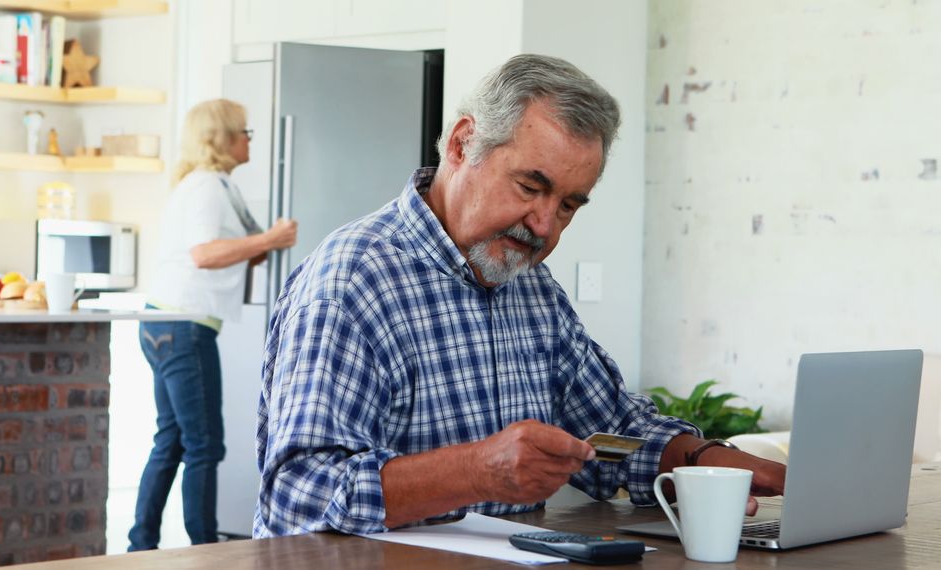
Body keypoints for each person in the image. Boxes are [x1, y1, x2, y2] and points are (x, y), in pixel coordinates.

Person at [253, 54, 785, 538]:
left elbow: (611, 432)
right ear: (462, 145)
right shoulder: (352, 282)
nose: (544, 224)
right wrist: (477, 470)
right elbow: (300, 494)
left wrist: (707, 460)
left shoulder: (529, 284)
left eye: (569, 205)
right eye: (531, 187)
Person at [130, 99, 297, 550]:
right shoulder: (206, 187)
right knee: (204, 445)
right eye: (243, 132)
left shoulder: (212, 184)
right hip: (185, 324)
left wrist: (265, 242)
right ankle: (205, 550)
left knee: (172, 440)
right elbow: (204, 253)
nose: (248, 140)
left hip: (164, 319)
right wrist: (269, 239)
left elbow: (238, 249)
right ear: (221, 139)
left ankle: (140, 545)